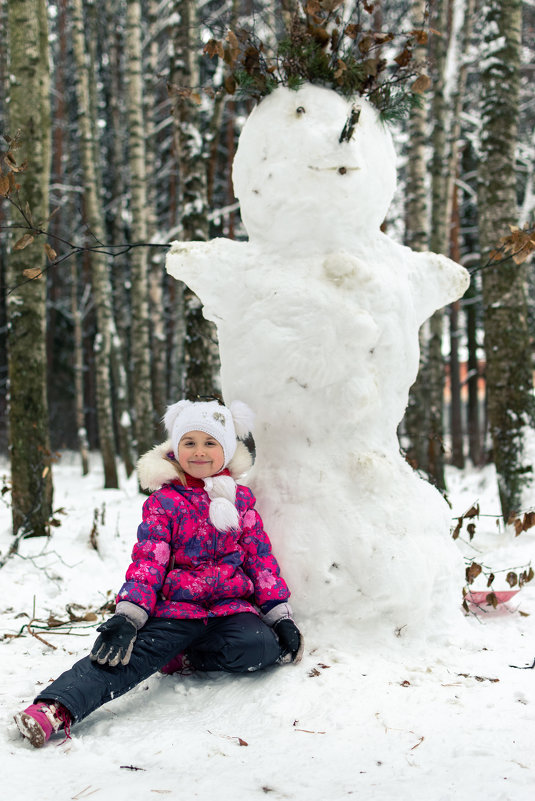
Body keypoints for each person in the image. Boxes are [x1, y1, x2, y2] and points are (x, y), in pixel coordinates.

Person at [14, 398, 303, 748]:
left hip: (229, 609)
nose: (199, 452)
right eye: (190, 443)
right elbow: (148, 562)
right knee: (127, 657)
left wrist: (279, 615)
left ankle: (186, 656)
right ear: (176, 448)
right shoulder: (165, 503)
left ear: (226, 450)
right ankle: (56, 707)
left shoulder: (241, 501)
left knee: (260, 648)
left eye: (210, 443)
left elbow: (259, 559)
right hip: (176, 610)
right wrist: (128, 617)